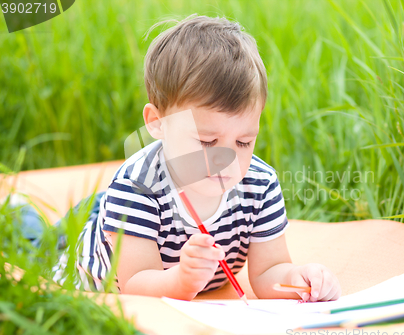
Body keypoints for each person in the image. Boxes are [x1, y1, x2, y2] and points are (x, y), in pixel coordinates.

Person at [53, 15, 341, 302]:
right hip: (93, 266)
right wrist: (181, 280)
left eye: (243, 142)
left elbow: (270, 271)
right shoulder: (136, 188)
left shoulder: (260, 185)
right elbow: (136, 284)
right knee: (36, 241)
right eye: (207, 142)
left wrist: (299, 280)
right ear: (157, 122)